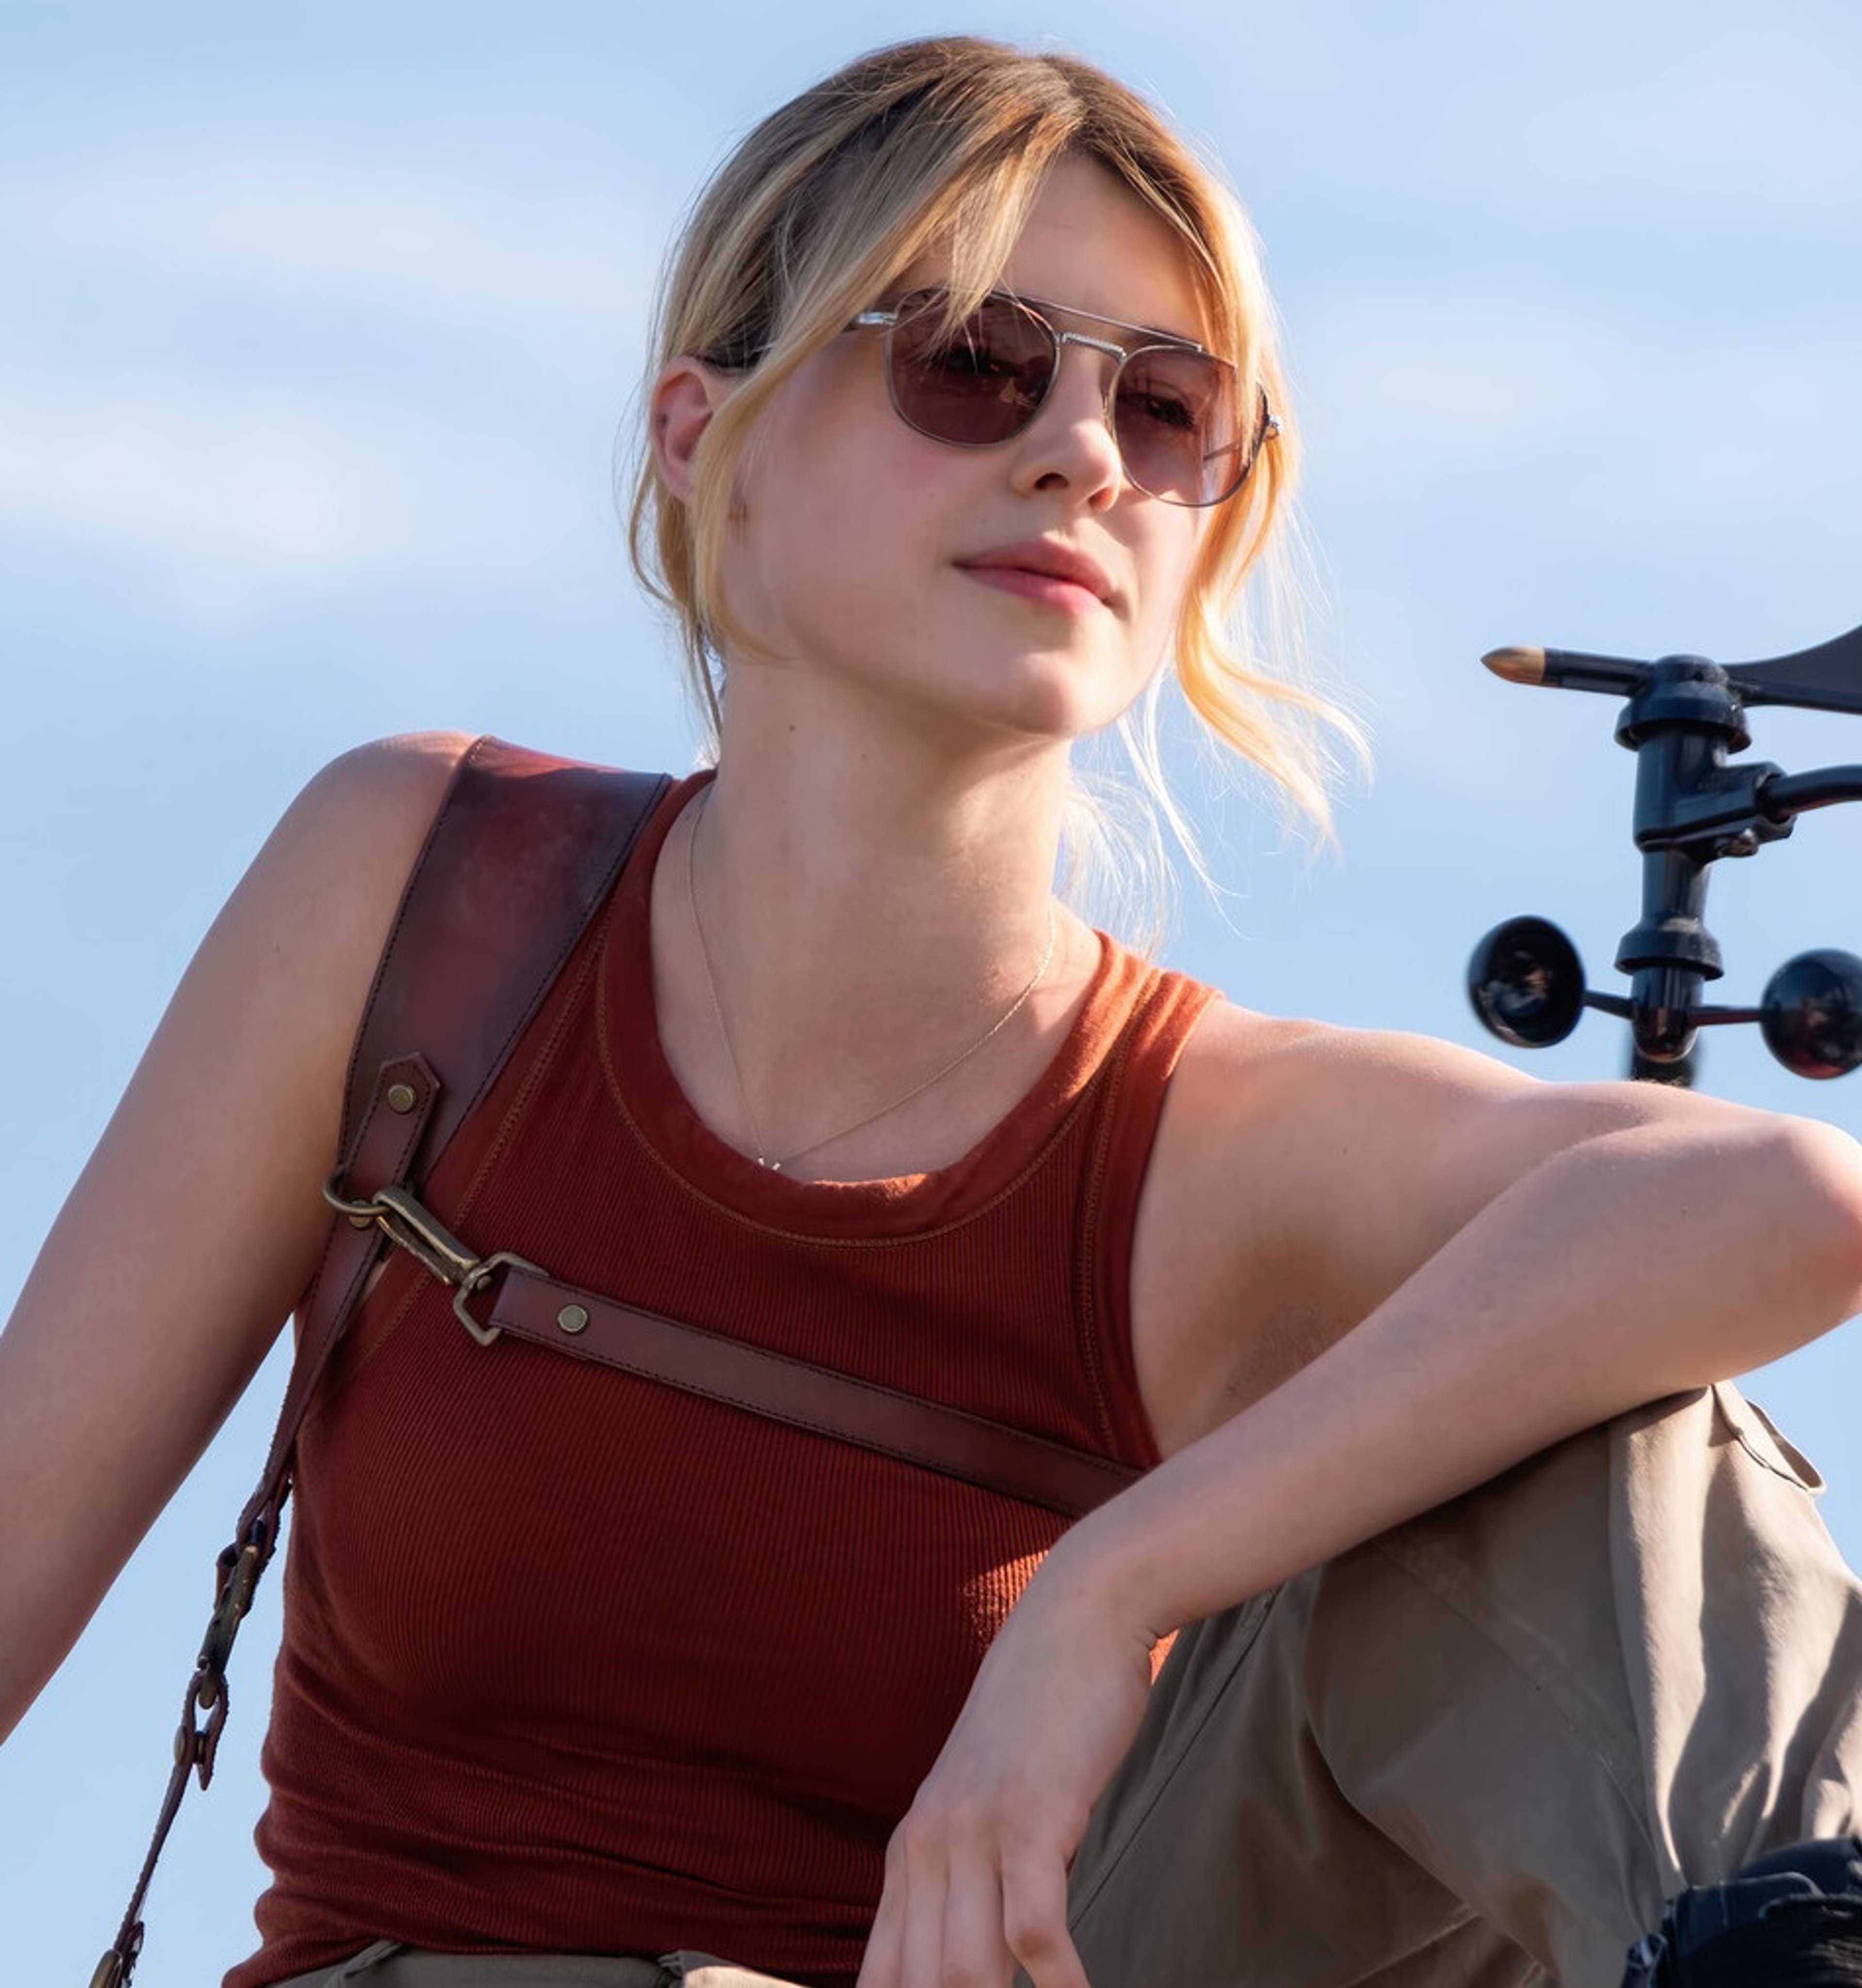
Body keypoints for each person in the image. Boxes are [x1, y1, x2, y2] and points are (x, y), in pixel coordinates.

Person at [3, 32, 1862, 1988]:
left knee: (1583, 1416)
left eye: (1166, 408)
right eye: (971, 359)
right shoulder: (430, 900)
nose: (1078, 453)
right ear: (699, 432)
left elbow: (1785, 1203)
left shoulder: (1203, 1142)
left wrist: (1109, 1590)